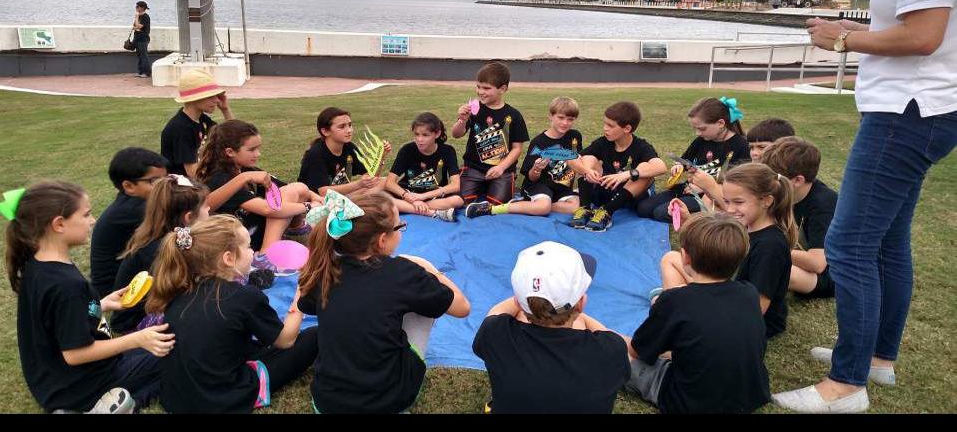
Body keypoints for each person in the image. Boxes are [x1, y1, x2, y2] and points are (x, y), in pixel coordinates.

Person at [773, 0, 957, 414]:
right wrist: (861, 28)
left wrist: (840, 39)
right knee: (887, 241)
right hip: (924, 110)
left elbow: (924, 37)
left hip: (905, 113)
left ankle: (847, 384)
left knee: (849, 245)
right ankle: (878, 359)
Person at [1, 181, 174, 413]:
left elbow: (57, 320)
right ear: (59, 224)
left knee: (160, 351)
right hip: (81, 386)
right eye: (86, 214)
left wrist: (102, 304)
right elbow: (75, 354)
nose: (93, 221)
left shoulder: (38, 264)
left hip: (54, 381)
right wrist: (137, 339)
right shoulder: (66, 285)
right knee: (176, 356)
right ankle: (104, 408)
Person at [298, 191, 470, 413]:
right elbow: (462, 308)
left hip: (327, 402)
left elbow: (307, 306)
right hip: (387, 400)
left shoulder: (325, 270)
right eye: (400, 226)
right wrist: (430, 270)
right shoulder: (404, 272)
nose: (402, 230)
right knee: (425, 298)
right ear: (382, 240)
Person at [148, 215, 318, 413]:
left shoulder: (179, 290)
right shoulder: (243, 297)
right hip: (223, 400)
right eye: (247, 247)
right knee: (313, 336)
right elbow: (285, 341)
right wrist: (301, 292)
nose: (252, 252)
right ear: (228, 258)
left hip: (176, 399)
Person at [626, 212, 770, 414]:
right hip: (750, 395)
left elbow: (637, 352)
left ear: (685, 256)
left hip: (689, 401)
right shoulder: (748, 292)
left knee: (618, 353)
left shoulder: (676, 301)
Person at [473, 241, 630, 414]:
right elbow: (607, 335)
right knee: (579, 325)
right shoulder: (611, 349)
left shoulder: (496, 334)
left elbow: (497, 313)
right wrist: (569, 312)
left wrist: (532, 303)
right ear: (582, 303)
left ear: (518, 301)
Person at [662, 163, 795, 339]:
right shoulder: (747, 225)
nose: (730, 209)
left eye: (738, 202)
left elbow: (757, 307)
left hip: (744, 318)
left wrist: (699, 307)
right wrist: (688, 220)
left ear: (767, 201)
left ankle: (678, 310)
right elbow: (713, 244)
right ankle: (677, 307)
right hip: (725, 293)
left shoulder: (770, 247)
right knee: (671, 258)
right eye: (726, 201)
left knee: (671, 303)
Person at [197, 120, 320, 255]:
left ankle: (295, 232)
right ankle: (265, 255)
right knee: (290, 193)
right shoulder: (221, 179)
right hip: (242, 243)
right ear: (230, 152)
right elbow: (267, 209)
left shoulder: (245, 169)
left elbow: (288, 188)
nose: (258, 154)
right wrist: (309, 206)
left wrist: (316, 197)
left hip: (256, 230)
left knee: (298, 188)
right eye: (251, 150)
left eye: (258, 148)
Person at [110, 175, 208, 334]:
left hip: (156, 309)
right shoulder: (159, 252)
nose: (210, 210)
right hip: (136, 325)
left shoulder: (171, 237)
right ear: (188, 217)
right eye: (206, 207)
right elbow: (187, 292)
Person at [467, 97, 585, 220]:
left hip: (562, 187)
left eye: (570, 119)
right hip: (539, 185)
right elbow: (531, 177)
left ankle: (528, 206)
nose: (565, 123)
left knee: (574, 207)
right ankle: (493, 208)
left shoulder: (575, 136)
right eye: (561, 118)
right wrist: (537, 169)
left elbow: (578, 161)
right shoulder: (539, 142)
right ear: (550, 116)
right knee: (543, 208)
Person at [636, 97, 751, 223]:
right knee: (643, 208)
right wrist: (679, 166)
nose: (697, 133)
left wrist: (703, 188)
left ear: (721, 124)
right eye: (695, 129)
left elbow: (738, 184)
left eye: (702, 129)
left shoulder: (741, 146)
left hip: (711, 196)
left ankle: (702, 218)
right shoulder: (702, 140)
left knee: (660, 213)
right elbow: (685, 160)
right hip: (689, 188)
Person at [759, 137, 838, 299]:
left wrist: (768, 248)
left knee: (776, 270)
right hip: (790, 256)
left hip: (829, 275)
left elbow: (817, 263)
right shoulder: (778, 192)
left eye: (773, 178)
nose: (765, 182)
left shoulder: (823, 203)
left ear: (797, 180)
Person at [569, 101, 666, 231]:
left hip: (631, 196)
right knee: (587, 159)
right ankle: (585, 208)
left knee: (644, 171)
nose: (605, 128)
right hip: (608, 190)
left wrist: (627, 174)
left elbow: (661, 167)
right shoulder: (603, 142)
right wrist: (586, 171)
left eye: (610, 125)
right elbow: (572, 159)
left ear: (627, 129)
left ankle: (607, 212)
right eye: (605, 123)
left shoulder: (641, 146)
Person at [90, 148, 168, 298]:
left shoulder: (138, 203)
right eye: (155, 181)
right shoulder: (133, 210)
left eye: (166, 178)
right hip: (118, 290)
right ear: (129, 186)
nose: (164, 185)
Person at [452, 62, 529, 209]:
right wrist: (462, 119)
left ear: (503, 89)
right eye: (478, 86)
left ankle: (491, 187)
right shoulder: (474, 109)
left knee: (498, 204)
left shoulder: (514, 115)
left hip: (502, 171)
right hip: (473, 168)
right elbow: (456, 134)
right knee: (458, 200)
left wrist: (501, 167)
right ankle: (480, 187)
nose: (480, 92)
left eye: (486, 88)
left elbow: (517, 148)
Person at [385, 112, 463, 222]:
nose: (419, 139)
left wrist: (422, 197)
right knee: (380, 196)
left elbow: (455, 186)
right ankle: (432, 212)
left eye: (425, 135)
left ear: (437, 134)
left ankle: (409, 207)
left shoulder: (447, 151)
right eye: (416, 134)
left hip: (433, 194)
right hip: (408, 193)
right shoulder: (407, 150)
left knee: (457, 200)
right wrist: (408, 197)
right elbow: (389, 182)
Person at [298, 107, 391, 197]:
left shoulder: (349, 147)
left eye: (350, 125)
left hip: (342, 197)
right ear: (325, 131)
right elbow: (323, 192)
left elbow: (371, 177)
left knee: (386, 181)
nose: (349, 130)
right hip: (318, 202)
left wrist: (381, 157)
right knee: (379, 191)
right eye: (342, 127)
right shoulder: (315, 154)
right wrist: (359, 184)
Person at [160, 69, 235, 178]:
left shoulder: (202, 120)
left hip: (199, 180)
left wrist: (225, 110)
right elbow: (193, 173)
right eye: (211, 96)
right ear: (194, 98)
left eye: (217, 96)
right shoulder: (181, 128)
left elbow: (232, 137)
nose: (217, 100)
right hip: (182, 188)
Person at [133, 1, 151, 78]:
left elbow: (138, 26)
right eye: (136, 6)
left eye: (137, 6)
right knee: (139, 55)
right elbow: (134, 27)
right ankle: (141, 72)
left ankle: (147, 73)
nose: (136, 8)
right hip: (137, 37)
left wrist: (136, 18)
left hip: (143, 38)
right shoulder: (139, 16)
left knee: (144, 55)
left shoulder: (145, 16)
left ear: (142, 8)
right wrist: (136, 25)